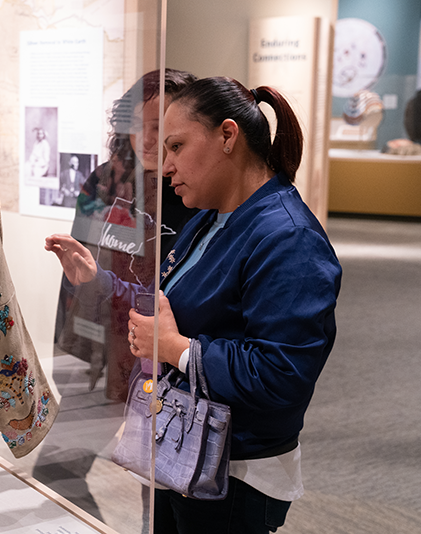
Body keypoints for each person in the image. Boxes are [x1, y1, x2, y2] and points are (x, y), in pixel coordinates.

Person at [46, 76, 342, 533]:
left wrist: (179, 350)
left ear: (227, 136)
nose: (165, 167)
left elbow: (283, 374)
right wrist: (100, 283)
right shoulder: (211, 219)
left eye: (177, 147)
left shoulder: (289, 238)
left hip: (234, 475)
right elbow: (168, 312)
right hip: (185, 450)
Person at [55, 68, 198, 401]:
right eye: (137, 125)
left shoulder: (196, 193)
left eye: (160, 127)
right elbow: (76, 272)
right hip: (104, 336)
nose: (147, 139)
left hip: (168, 352)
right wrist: (70, 349)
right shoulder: (104, 182)